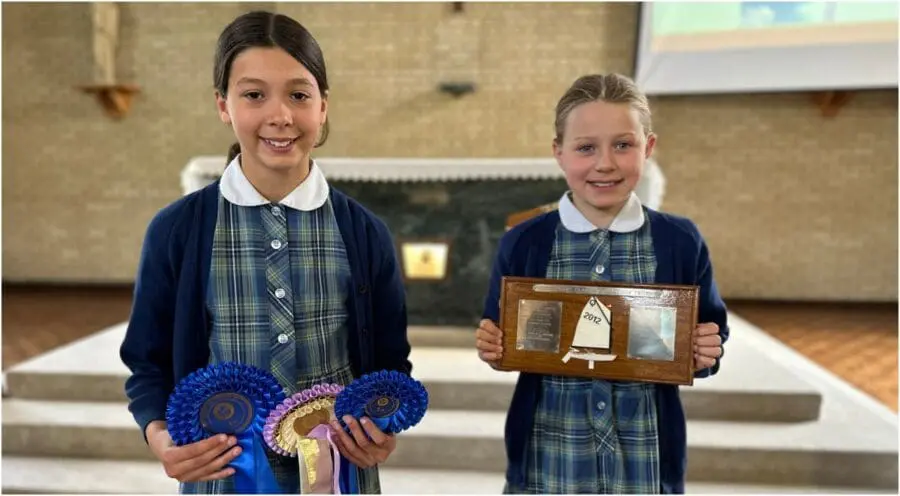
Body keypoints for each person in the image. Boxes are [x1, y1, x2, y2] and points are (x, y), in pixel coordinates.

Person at [119, 10, 410, 494]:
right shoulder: (177, 231)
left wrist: (382, 429)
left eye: (299, 95)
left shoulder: (364, 233)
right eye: (254, 95)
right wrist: (160, 437)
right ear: (223, 105)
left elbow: (389, 363)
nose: (280, 116)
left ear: (323, 106)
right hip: (222, 477)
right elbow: (148, 362)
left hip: (338, 477)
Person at [475, 73, 728, 494]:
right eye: (586, 147)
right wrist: (493, 348)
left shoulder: (680, 241)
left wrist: (706, 350)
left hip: (644, 456)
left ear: (648, 147)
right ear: (559, 152)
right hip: (549, 456)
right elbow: (501, 331)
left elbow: (709, 333)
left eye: (623, 145)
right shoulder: (524, 241)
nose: (605, 163)